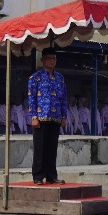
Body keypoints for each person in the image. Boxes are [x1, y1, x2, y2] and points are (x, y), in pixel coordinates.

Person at [27, 50, 68, 185]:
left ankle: (51, 175)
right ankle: (38, 176)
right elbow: (31, 98)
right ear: (43, 60)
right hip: (40, 116)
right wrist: (33, 116)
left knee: (52, 148)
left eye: (54, 58)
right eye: (49, 58)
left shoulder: (60, 78)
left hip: (55, 117)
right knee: (40, 148)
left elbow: (63, 98)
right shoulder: (35, 77)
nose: (52, 61)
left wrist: (64, 116)